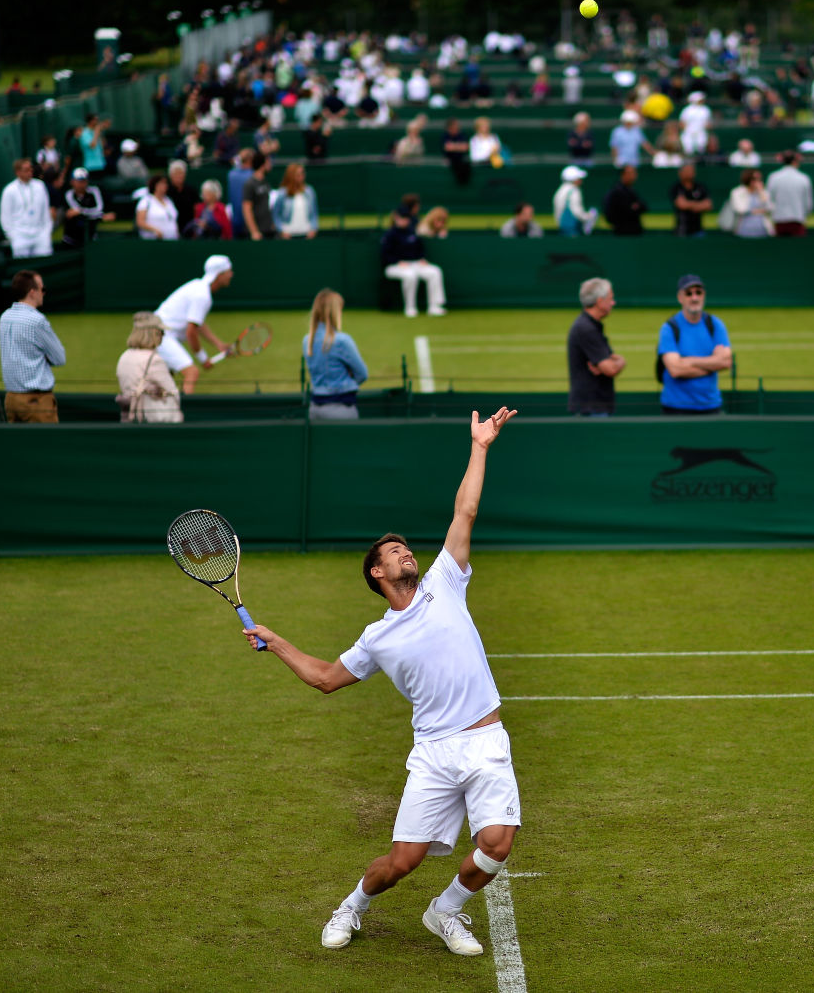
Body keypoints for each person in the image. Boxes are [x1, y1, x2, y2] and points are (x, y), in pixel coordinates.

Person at [243, 409, 523, 959]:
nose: (406, 553)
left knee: (496, 844)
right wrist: (276, 642)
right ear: (377, 573)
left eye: (406, 549)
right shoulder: (377, 637)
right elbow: (325, 678)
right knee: (402, 862)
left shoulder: (445, 580)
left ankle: (445, 911)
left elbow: (465, 510)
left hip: (486, 739)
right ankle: (352, 906)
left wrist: (481, 446)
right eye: (394, 552)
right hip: (435, 752)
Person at [153, 254, 236, 394]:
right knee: (191, 373)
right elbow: (191, 332)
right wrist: (203, 359)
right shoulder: (202, 296)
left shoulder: (198, 286)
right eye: (228, 271)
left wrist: (218, 344)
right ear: (219, 274)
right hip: (160, 335)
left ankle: (159, 410)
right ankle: (184, 412)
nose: (231, 274)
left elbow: (198, 323)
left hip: (155, 332)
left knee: (164, 380)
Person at [657, 274, 731, 415]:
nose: (694, 297)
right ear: (680, 298)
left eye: (698, 292)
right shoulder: (670, 328)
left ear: (704, 295)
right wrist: (712, 365)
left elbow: (726, 362)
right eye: (689, 293)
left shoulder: (715, 325)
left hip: (711, 406)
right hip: (676, 408)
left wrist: (689, 360)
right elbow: (675, 369)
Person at [0, 270, 66, 422]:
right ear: (32, 292)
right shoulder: (37, 321)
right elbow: (60, 358)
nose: (44, 293)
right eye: (42, 289)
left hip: (11, 399)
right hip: (36, 401)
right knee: (45, 445)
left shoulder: (5, 317)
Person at [302, 288, 369, 419]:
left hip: (314, 409)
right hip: (341, 409)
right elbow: (362, 374)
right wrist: (347, 380)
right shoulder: (342, 340)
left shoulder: (306, 340)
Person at [567, 276, 625, 416]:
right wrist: (621, 361)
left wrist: (609, 363)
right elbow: (610, 369)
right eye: (610, 298)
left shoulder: (590, 325)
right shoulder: (586, 328)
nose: (613, 302)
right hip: (591, 408)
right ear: (600, 301)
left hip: (594, 406)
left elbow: (607, 365)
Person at [382, 194, 447, 318]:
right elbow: (385, 255)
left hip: (415, 263)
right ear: (396, 218)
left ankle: (434, 306)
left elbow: (420, 248)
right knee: (410, 275)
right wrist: (397, 262)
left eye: (406, 218)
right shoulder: (390, 234)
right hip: (395, 266)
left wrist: (422, 258)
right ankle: (410, 308)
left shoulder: (413, 231)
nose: (405, 220)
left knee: (435, 271)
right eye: (402, 218)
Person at [116, 312, 183, 423]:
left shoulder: (125, 355)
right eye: (161, 332)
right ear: (154, 334)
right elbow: (173, 393)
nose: (163, 335)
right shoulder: (154, 360)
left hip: (129, 416)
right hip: (152, 419)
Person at [0, 159, 56, 258]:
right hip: (20, 236)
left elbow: (45, 211)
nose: (30, 172)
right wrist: (13, 236)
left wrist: (46, 231)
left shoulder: (40, 186)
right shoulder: (9, 190)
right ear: (18, 172)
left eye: (31, 169)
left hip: (40, 234)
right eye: (26, 170)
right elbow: (5, 217)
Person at [61, 168, 116, 248]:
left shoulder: (94, 191)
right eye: (79, 181)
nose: (82, 184)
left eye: (84, 181)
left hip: (90, 238)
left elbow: (98, 209)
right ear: (72, 182)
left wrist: (81, 211)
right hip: (71, 239)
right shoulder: (68, 194)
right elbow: (74, 214)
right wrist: (101, 216)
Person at [767, 150, 814, 237]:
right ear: (795, 162)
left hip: (779, 220)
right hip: (797, 220)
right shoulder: (804, 178)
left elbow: (770, 199)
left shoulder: (773, 177)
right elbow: (808, 203)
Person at [273, 162, 320, 239]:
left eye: (303, 174)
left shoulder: (309, 191)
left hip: (306, 235)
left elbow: (314, 213)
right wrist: (282, 231)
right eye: (298, 174)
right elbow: (276, 215)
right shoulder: (282, 193)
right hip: (288, 235)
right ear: (291, 176)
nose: (302, 177)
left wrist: (313, 229)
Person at [241, 153, 278, 240]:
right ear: (262, 164)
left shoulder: (265, 182)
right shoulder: (249, 184)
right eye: (268, 162)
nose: (270, 165)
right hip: (258, 232)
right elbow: (246, 209)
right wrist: (254, 231)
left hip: (267, 230)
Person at [552, 165, 597, 236]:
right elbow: (577, 211)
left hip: (563, 229)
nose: (581, 180)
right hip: (573, 229)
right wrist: (589, 216)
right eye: (578, 178)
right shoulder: (574, 190)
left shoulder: (560, 190)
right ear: (573, 179)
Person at [669, 165, 712, 237]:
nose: (689, 173)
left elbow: (708, 205)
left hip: (698, 230)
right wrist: (698, 205)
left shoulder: (700, 187)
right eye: (686, 171)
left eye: (691, 171)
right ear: (680, 173)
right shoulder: (676, 187)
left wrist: (688, 204)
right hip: (681, 230)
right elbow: (681, 205)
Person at [602, 166, 647, 236]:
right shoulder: (616, 191)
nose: (634, 176)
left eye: (634, 173)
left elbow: (643, 206)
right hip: (622, 232)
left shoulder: (631, 190)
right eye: (631, 173)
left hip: (634, 231)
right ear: (624, 175)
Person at [728, 169, 773, 238]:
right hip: (743, 229)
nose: (757, 182)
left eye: (759, 179)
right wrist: (759, 211)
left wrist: (761, 192)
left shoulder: (763, 192)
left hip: (762, 229)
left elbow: (769, 208)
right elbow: (740, 209)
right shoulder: (737, 192)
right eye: (755, 179)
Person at [135, 175, 181, 241]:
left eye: (166, 183)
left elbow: (173, 219)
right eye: (162, 183)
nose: (165, 185)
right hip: (153, 242)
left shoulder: (169, 201)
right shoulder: (146, 201)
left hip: (172, 241)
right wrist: (155, 230)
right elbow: (140, 222)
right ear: (155, 185)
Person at [166, 160, 198, 230]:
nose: (179, 176)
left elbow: (196, 207)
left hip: (188, 227)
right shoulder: (166, 191)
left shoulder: (191, 190)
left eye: (181, 173)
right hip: (171, 226)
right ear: (171, 175)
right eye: (176, 173)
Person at [680, 91, 712, 157]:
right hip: (688, 132)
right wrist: (688, 131)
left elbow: (708, 123)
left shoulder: (705, 109)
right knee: (688, 149)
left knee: (701, 149)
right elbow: (682, 123)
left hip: (701, 132)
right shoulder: (687, 110)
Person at [441, 119, 472, 187]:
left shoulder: (462, 135)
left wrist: (453, 146)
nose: (456, 128)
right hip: (450, 160)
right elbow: (447, 147)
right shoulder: (445, 136)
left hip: (461, 160)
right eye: (454, 126)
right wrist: (459, 146)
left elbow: (465, 147)